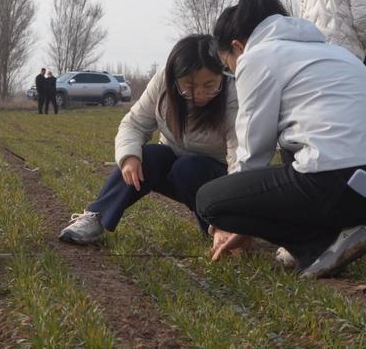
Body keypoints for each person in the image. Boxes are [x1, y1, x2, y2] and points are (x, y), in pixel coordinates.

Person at [197, 0, 366, 279]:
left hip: (342, 181)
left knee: (209, 201)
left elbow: (253, 153)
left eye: (227, 67)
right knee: (295, 144)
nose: (233, 73)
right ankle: (328, 237)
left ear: (237, 46)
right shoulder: (333, 51)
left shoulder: (257, 56)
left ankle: (316, 246)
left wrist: (237, 218)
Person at [59, 35, 238, 244]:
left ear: (222, 75)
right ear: (175, 78)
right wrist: (128, 158)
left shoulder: (233, 93)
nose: (199, 93)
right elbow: (134, 124)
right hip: (175, 167)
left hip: (216, 177)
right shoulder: (163, 82)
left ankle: (218, 228)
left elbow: (240, 155)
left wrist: (232, 221)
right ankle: (96, 217)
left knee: (188, 167)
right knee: (147, 156)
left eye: (209, 85)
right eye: (189, 85)